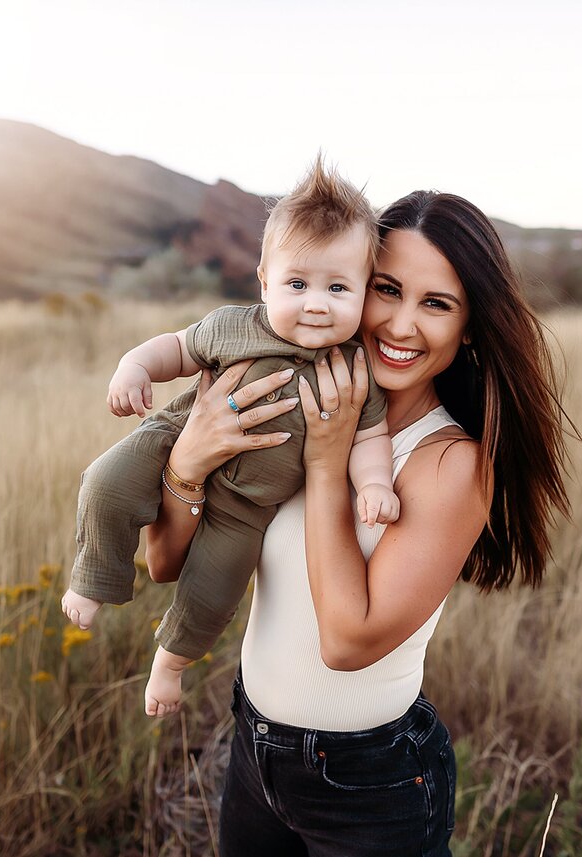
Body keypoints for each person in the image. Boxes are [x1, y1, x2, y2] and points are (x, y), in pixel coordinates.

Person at [143, 190, 573, 856]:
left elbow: (347, 640)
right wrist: (188, 466)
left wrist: (326, 464)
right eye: (387, 289)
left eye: (436, 303)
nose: (401, 325)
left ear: (470, 328)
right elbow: (164, 562)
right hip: (254, 751)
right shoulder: (281, 392)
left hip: (369, 787)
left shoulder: (448, 462)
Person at [61, 160, 401, 717]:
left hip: (247, 508)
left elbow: (370, 435)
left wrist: (374, 484)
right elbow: (174, 349)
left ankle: (168, 669)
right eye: (298, 284)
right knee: (105, 482)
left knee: (214, 592)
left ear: (366, 292)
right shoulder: (234, 325)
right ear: (265, 279)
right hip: (173, 437)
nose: (317, 302)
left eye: (339, 287)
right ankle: (94, 576)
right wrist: (133, 367)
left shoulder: (355, 366)